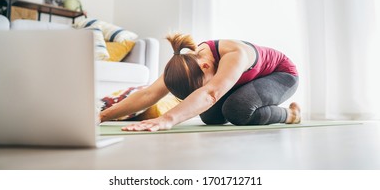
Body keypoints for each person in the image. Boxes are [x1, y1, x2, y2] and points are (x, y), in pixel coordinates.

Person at [100, 33, 300, 131]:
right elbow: (148, 94)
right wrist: (101, 116)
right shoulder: (183, 64)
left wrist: (166, 120)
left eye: (199, 86)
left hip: (281, 75)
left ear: (205, 67)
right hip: (246, 83)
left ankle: (289, 115)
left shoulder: (233, 54)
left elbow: (210, 93)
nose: (200, 89)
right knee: (209, 116)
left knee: (237, 109)